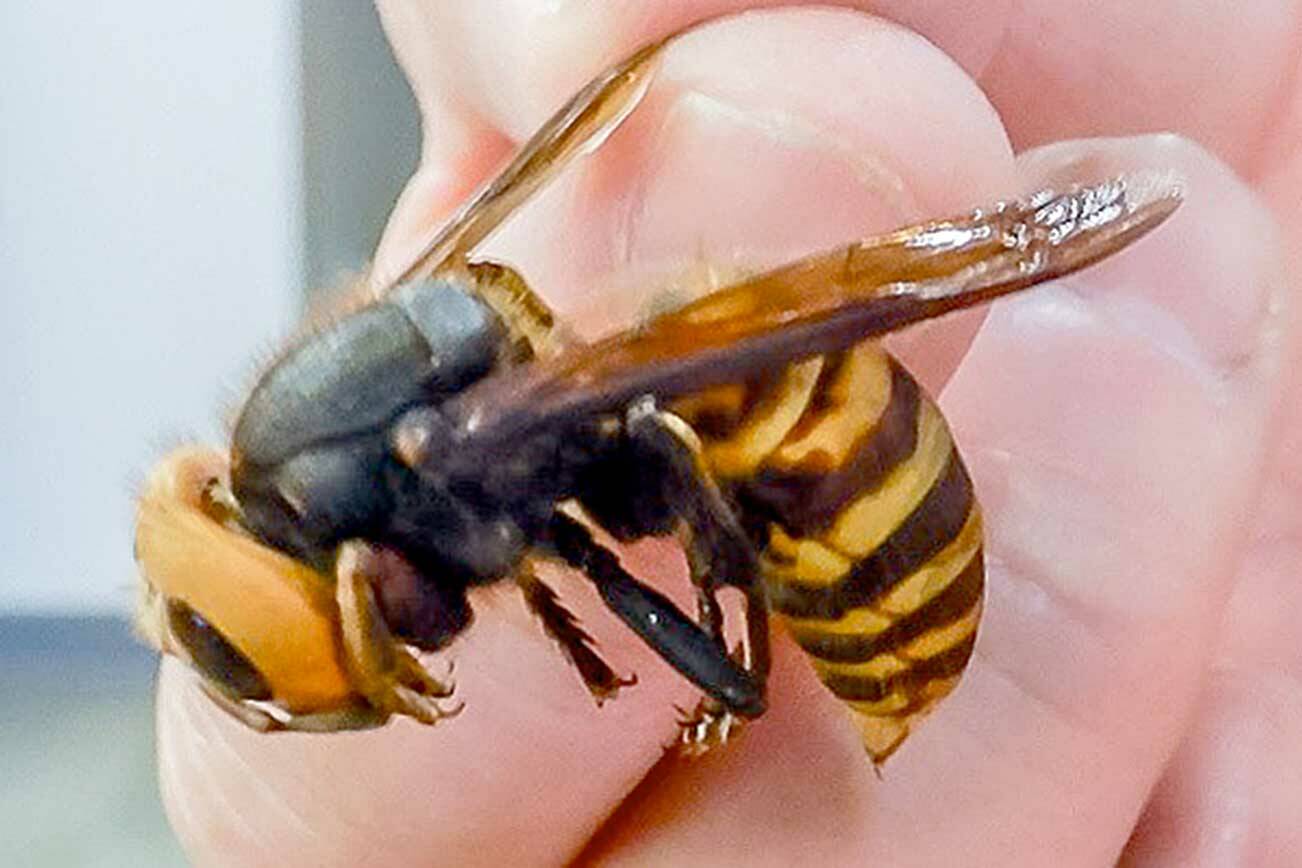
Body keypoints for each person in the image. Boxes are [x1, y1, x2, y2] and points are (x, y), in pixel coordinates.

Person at [156, 3, 1302, 864]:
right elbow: (549, 537)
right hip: (717, 436)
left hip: (857, 517)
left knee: (676, 439)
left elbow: (565, 526)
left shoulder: (438, 460)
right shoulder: (418, 455)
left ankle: (737, 657)